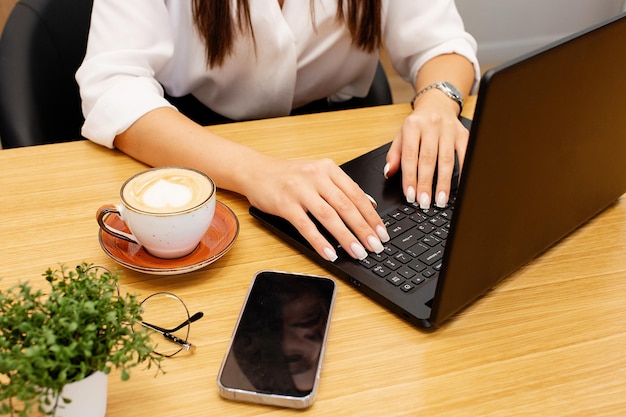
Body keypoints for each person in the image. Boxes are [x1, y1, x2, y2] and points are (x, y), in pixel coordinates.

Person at [76, 0, 480, 263]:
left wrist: (439, 102)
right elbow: (114, 87)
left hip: (339, 143)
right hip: (199, 145)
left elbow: (440, 40)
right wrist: (258, 173)